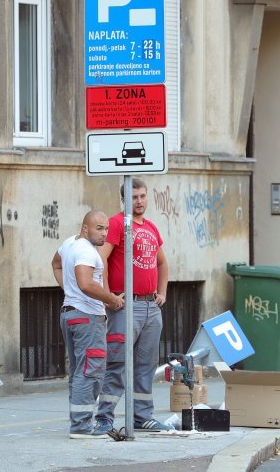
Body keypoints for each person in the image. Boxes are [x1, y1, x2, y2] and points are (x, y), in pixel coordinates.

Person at [95, 178, 170, 433]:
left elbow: (162, 263)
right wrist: (108, 297)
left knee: (146, 366)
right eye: (133, 197)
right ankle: (104, 417)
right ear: (124, 200)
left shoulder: (150, 227)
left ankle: (142, 417)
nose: (138, 201)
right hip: (125, 306)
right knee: (117, 363)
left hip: (151, 307)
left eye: (142, 196)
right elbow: (101, 259)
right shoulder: (117, 223)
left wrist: (162, 293)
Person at [51, 210, 124, 439]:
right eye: (99, 228)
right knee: (90, 373)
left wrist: (67, 290)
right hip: (86, 318)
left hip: (71, 314)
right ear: (85, 228)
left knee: (78, 372)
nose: (104, 234)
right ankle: (81, 428)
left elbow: (55, 264)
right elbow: (85, 284)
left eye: (106, 229)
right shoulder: (85, 250)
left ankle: (78, 424)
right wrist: (112, 300)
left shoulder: (69, 244)